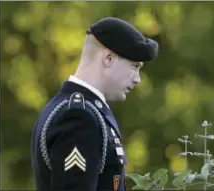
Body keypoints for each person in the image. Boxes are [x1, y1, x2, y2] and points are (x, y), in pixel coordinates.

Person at [31, 17, 158, 191]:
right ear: (108, 58)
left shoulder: (73, 108)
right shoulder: (78, 117)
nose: (137, 79)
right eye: (134, 66)